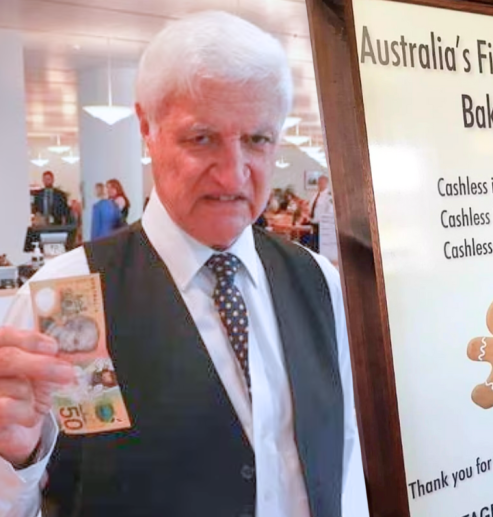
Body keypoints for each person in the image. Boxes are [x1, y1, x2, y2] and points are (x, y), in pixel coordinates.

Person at [0, 11, 368, 517]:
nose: (234, 172)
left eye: (258, 140)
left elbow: (343, 457)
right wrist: (15, 458)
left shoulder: (318, 282)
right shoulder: (64, 297)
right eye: (202, 138)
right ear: (147, 129)